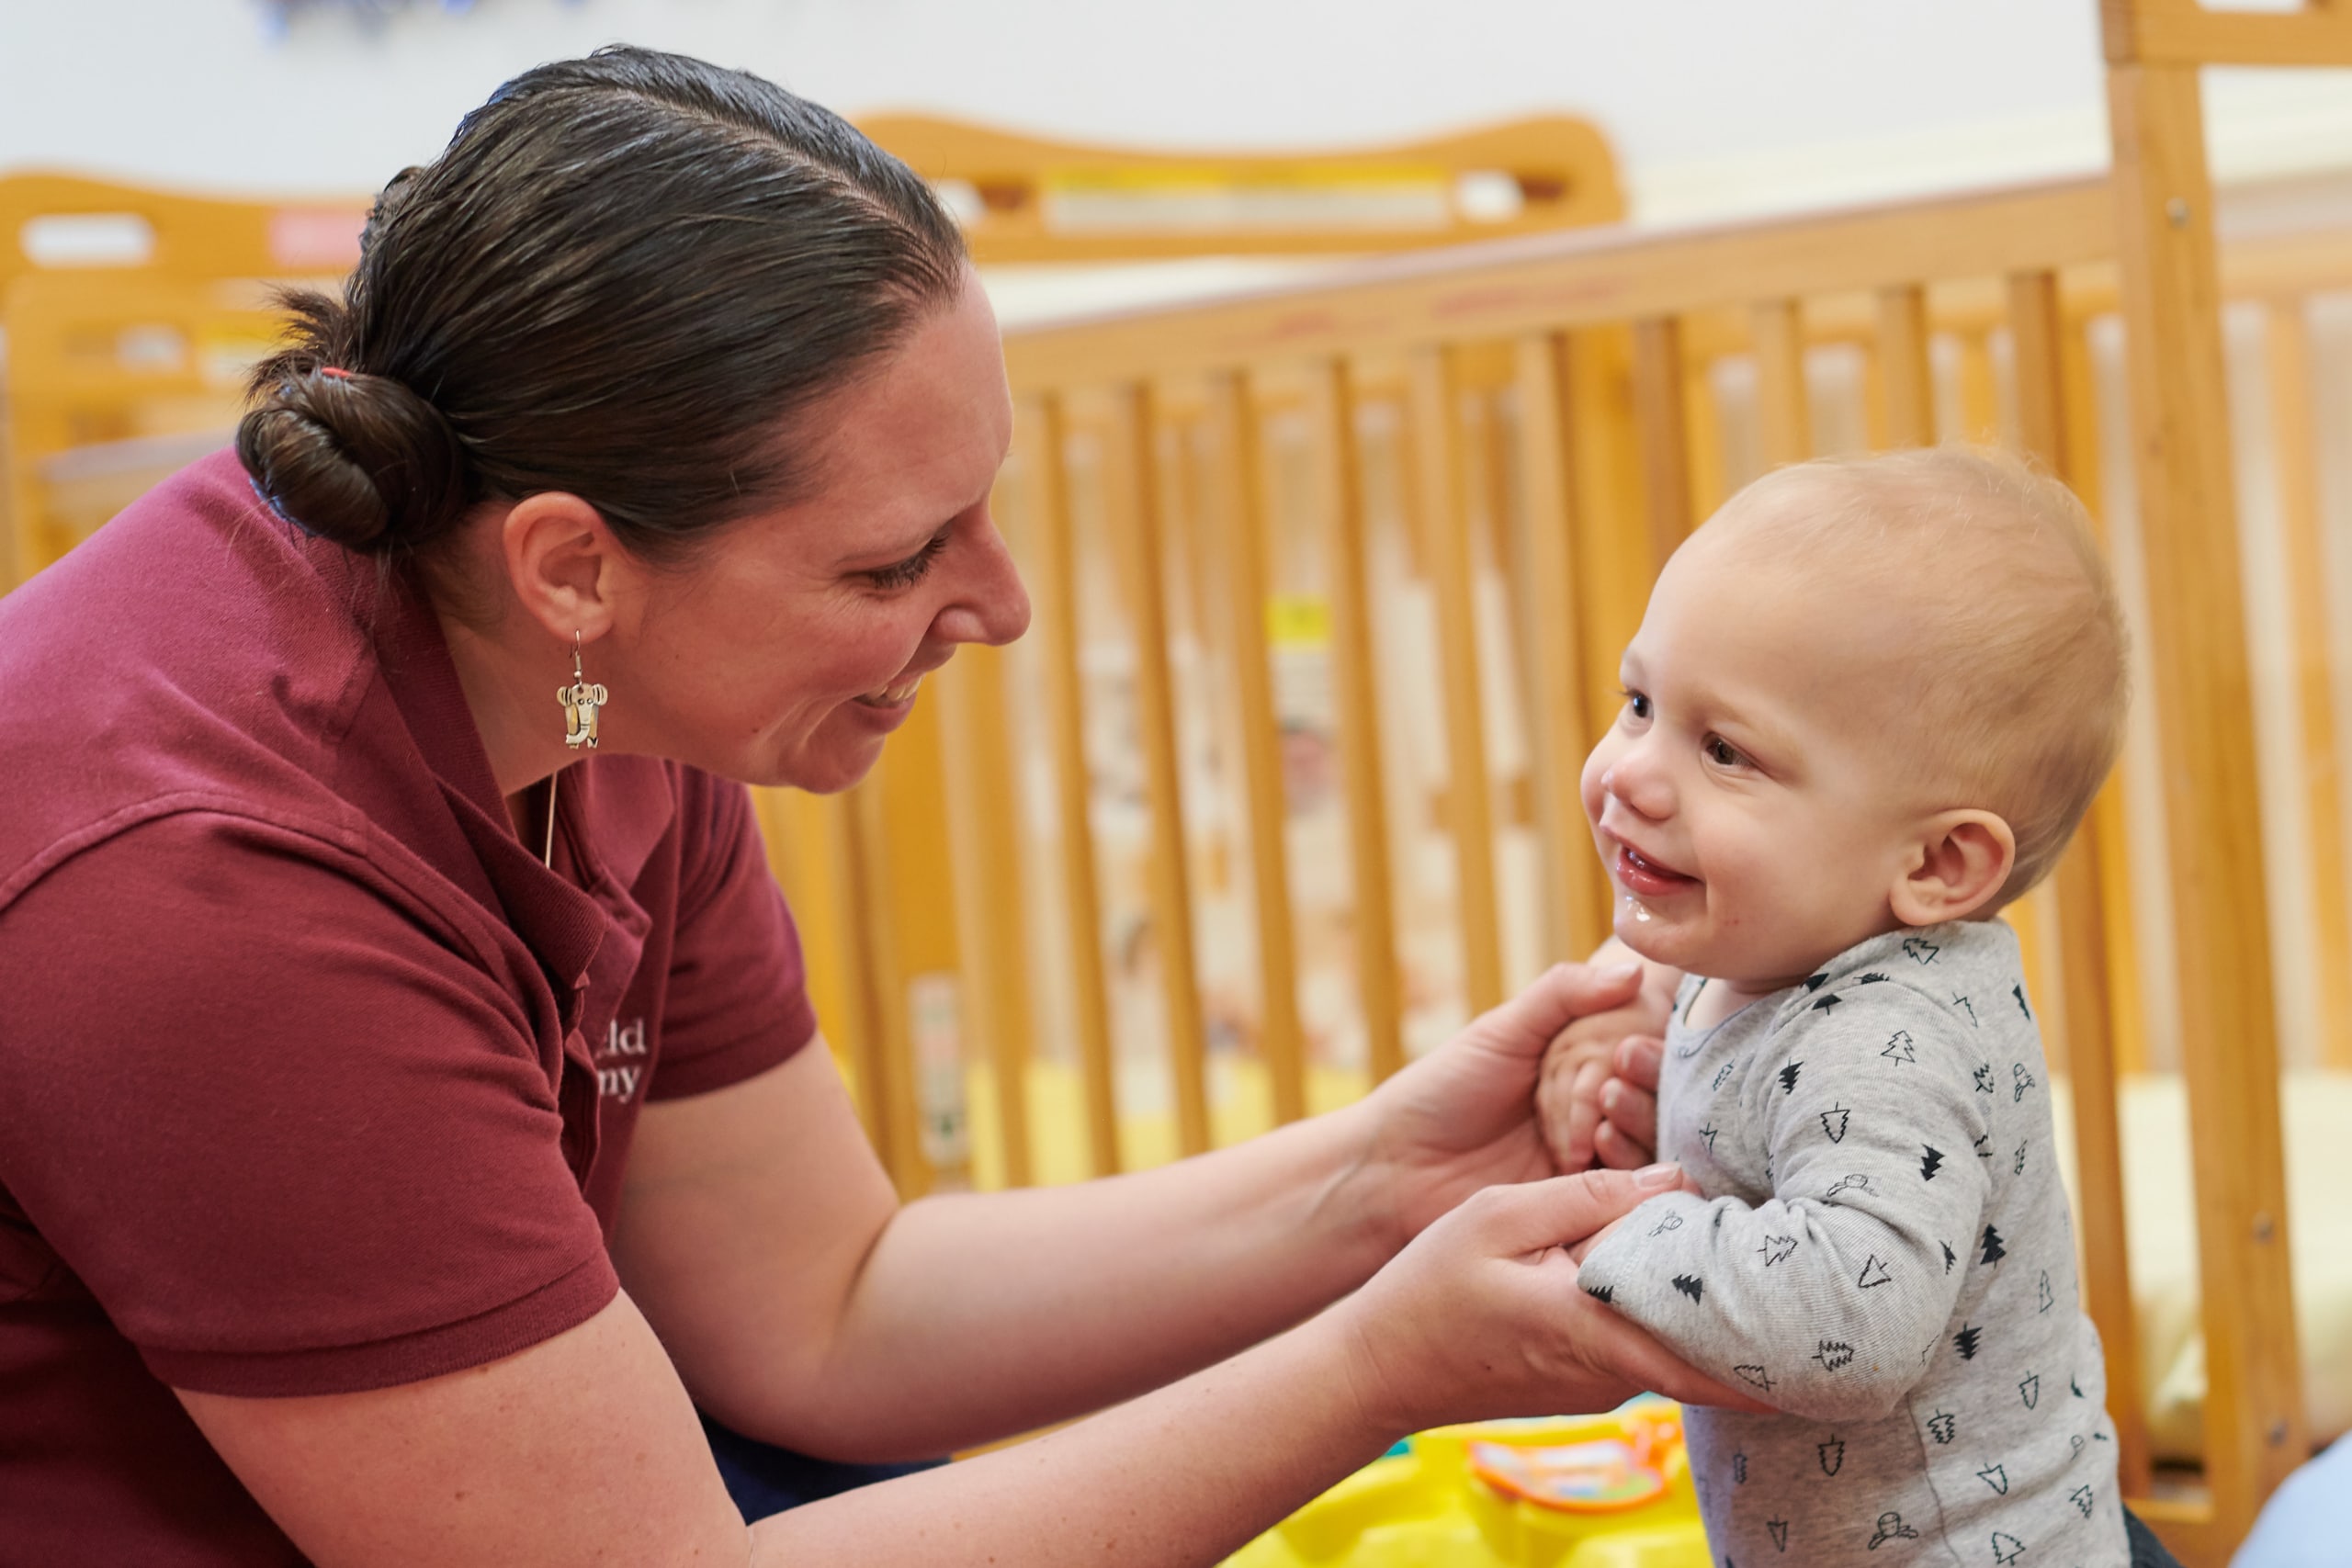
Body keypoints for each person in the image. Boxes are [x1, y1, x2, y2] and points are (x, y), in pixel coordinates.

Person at [0, 47, 1754, 1566]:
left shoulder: (591, 696)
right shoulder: (200, 885)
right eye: (898, 558)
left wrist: (1390, 1183)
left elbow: (819, 1309)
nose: (1003, 607)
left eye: (978, 510)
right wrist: (1383, 1362)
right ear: (573, 566)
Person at [1536, 448, 2188, 1566]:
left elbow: (1847, 1316)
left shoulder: (1882, 1041)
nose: (1631, 773)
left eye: (1724, 749)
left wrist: (1607, 1224)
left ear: (1936, 863)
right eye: (1639, 702)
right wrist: (1609, 1036)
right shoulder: (1763, 931)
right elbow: (1673, 1002)